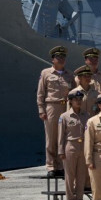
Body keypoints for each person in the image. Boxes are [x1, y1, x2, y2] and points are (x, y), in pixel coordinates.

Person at [38, 46, 76, 177]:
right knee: (51, 138)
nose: (61, 59)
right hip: (52, 107)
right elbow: (41, 93)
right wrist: (41, 109)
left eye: (63, 57)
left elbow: (75, 93)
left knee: (64, 137)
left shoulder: (70, 75)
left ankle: (61, 165)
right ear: (53, 59)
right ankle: (50, 166)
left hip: (66, 108)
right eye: (58, 57)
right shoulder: (46, 73)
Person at [58, 90, 90, 200]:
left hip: (83, 147)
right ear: (70, 101)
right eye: (76, 99)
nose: (78, 101)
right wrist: (60, 151)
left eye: (80, 99)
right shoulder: (64, 116)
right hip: (70, 146)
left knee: (81, 175)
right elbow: (61, 135)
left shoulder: (86, 115)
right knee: (70, 175)